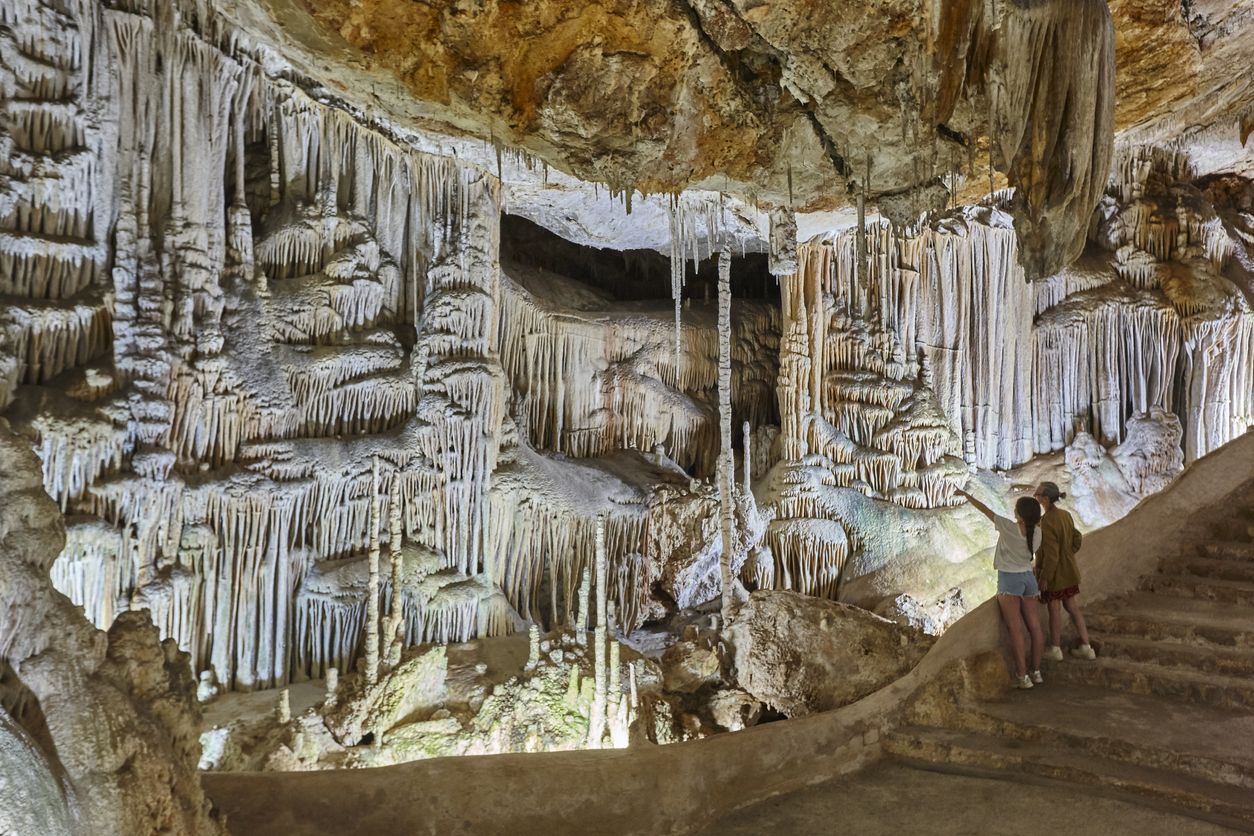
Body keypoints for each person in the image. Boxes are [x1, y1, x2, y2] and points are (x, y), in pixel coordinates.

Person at [956, 487, 1046, 689]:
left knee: (1015, 630)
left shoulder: (1008, 527)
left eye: (1016, 510)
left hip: (1009, 580)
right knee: (1035, 627)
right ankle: (1037, 671)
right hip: (1028, 579)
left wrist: (966, 495)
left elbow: (985, 510)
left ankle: (1023, 676)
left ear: (1019, 515)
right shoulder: (1038, 533)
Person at [1034, 481, 1095, 660]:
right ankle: (1086, 646)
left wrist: (1044, 577)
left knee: (1054, 609)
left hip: (1056, 575)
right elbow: (1077, 537)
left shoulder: (1046, 522)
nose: (1035, 497)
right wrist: (1068, 553)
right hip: (1069, 571)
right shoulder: (1065, 515)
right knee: (1072, 607)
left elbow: (1051, 555)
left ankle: (1055, 649)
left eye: (1037, 494)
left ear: (1045, 499)